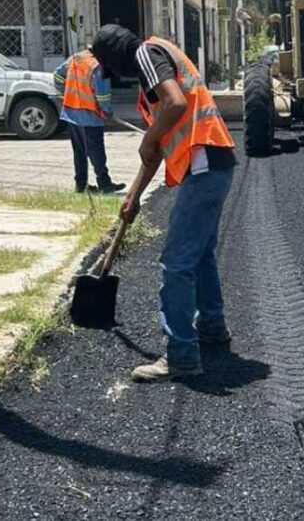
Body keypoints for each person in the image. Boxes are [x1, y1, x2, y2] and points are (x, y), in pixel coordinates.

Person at [88, 25, 237, 382]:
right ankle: (212, 328)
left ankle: (182, 356)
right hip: (214, 164)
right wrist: (134, 196)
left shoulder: (146, 55)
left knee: (177, 262)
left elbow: (176, 104)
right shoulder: (157, 65)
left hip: (203, 165)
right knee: (199, 254)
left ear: (117, 57)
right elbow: (153, 151)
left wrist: (150, 136)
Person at [53, 46, 125, 194]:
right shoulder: (98, 66)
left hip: (71, 113)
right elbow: (103, 96)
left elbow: (57, 76)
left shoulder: (76, 58)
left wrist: (64, 93)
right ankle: (105, 185)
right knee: (97, 153)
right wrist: (107, 111)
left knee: (79, 152)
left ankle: (81, 185)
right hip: (89, 117)